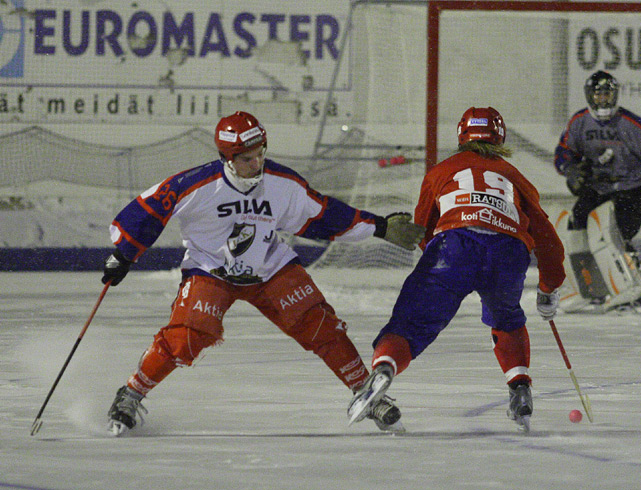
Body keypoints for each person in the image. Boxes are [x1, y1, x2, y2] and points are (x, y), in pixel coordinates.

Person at [102, 111, 425, 436]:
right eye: (246, 158)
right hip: (210, 270)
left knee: (320, 326)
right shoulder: (195, 185)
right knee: (188, 336)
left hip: (270, 267)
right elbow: (150, 208)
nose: (256, 164)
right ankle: (130, 394)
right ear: (226, 157)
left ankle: (366, 393)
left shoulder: (283, 183)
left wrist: (381, 227)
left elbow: (324, 214)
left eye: (261, 154)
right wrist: (124, 254)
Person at [347, 107, 566, 433]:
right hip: (509, 250)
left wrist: (443, 271)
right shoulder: (516, 177)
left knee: (412, 322)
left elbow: (423, 229)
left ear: (463, 136)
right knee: (506, 317)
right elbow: (548, 241)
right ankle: (519, 387)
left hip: (455, 245)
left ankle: (383, 369)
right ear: (500, 137)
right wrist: (549, 288)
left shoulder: (442, 171)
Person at [555, 70, 641, 260]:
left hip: (629, 187)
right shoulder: (579, 121)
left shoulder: (631, 125)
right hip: (597, 186)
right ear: (590, 96)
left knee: (620, 228)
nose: (603, 100)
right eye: (598, 94)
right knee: (579, 220)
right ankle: (583, 266)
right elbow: (563, 152)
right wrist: (570, 170)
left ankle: (626, 264)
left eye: (607, 94)